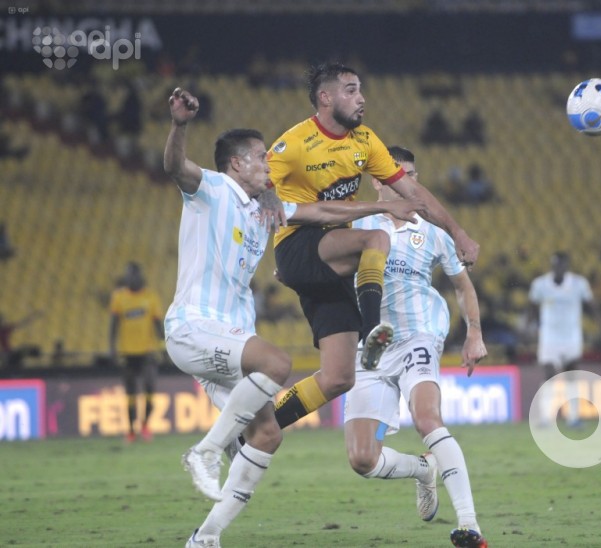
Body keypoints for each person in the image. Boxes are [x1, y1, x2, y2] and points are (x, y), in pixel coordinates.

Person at [162, 88, 421, 548]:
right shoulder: (212, 189)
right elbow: (174, 168)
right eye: (262, 158)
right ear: (237, 165)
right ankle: (204, 451)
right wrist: (180, 125)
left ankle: (205, 537)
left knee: (265, 435)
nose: (271, 163)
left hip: (230, 335)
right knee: (277, 365)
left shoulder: (268, 208)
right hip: (194, 325)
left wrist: (382, 206)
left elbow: (321, 210)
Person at [267, 62, 479, 430]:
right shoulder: (293, 145)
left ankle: (258, 428)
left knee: (338, 378)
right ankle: (371, 333)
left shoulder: (364, 141)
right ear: (325, 97)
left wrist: (457, 232)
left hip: (333, 256)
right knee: (376, 239)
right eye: (351, 90)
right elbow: (251, 194)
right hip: (299, 244)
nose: (361, 98)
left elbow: (413, 193)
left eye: (361, 89)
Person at [344, 146, 488, 548]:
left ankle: (469, 525)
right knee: (362, 459)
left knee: (427, 419)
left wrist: (474, 332)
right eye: (397, 174)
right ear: (377, 179)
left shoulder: (433, 232)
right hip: (369, 344)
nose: (407, 182)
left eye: (412, 174)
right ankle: (424, 471)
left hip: (417, 335)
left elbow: (462, 285)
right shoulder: (357, 223)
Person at [527, 252, 601, 428]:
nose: (558, 268)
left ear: (566, 266)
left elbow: (592, 306)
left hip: (571, 337)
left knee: (571, 376)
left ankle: (573, 418)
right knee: (549, 375)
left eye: (561, 265)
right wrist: (527, 327)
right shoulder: (540, 285)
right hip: (549, 337)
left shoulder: (579, 284)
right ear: (552, 266)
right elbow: (531, 307)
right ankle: (546, 418)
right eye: (555, 265)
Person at [108, 261, 164, 443]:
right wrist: (112, 347)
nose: (129, 278)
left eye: (132, 274)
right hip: (127, 352)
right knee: (130, 393)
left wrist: (165, 345)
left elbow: (158, 325)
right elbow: (113, 325)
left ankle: (145, 425)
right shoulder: (119, 297)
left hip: (148, 352)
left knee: (150, 388)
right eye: (127, 275)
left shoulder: (151, 297)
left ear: (139, 276)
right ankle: (131, 431)